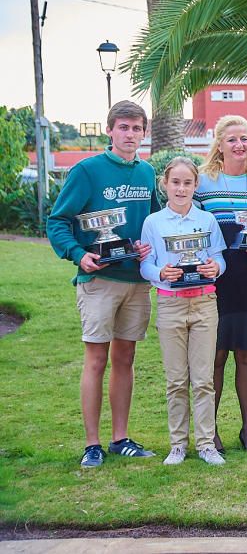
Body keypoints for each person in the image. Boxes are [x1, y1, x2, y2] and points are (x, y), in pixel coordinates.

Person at [46, 100, 159, 468]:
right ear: (110, 131)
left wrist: (149, 246)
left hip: (136, 281)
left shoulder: (146, 173)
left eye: (136, 128)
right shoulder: (87, 171)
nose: (130, 134)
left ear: (144, 133)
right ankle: (92, 443)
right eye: (123, 127)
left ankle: (120, 438)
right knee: (96, 359)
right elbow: (58, 221)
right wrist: (78, 255)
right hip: (99, 279)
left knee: (125, 358)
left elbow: (154, 223)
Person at [194, 115, 247, 454]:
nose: (239, 145)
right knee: (213, 356)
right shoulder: (202, 183)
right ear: (219, 143)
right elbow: (193, 230)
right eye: (232, 139)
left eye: (244, 138)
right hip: (216, 279)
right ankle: (209, 430)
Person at [140, 157, 227, 465]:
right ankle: (178, 444)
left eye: (187, 183)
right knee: (176, 380)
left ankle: (206, 444)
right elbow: (145, 266)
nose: (181, 188)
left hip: (204, 303)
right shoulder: (153, 223)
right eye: (175, 182)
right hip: (171, 304)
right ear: (165, 184)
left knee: (203, 380)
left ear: (195, 186)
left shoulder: (207, 221)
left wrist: (215, 266)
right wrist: (161, 273)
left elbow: (220, 260)